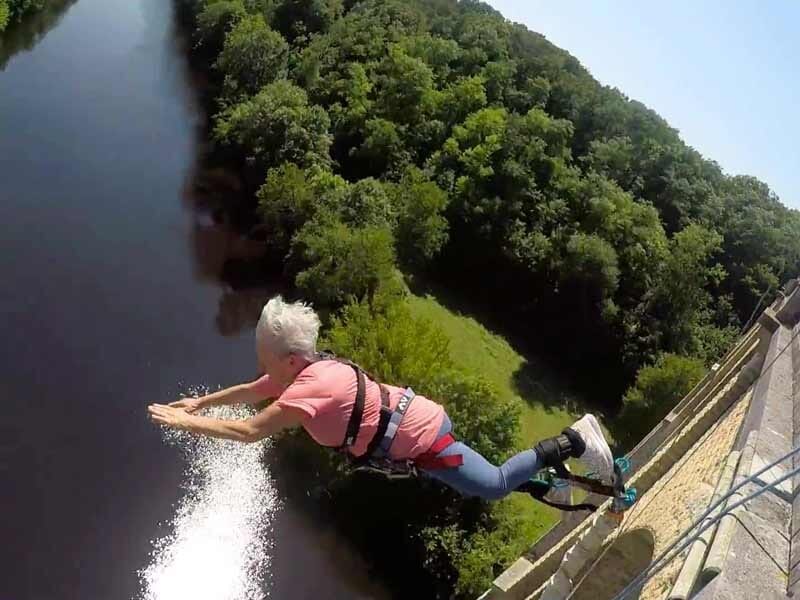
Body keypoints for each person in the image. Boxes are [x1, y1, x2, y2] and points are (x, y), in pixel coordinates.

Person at [148, 296, 614, 501]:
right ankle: (543, 481)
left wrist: (180, 423)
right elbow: (252, 391)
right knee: (470, 481)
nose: (262, 367)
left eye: (265, 358)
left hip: (423, 438)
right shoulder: (305, 372)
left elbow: (249, 432)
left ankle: (573, 440)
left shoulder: (311, 391)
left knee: (491, 486)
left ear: (290, 359)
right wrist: (201, 403)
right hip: (417, 433)